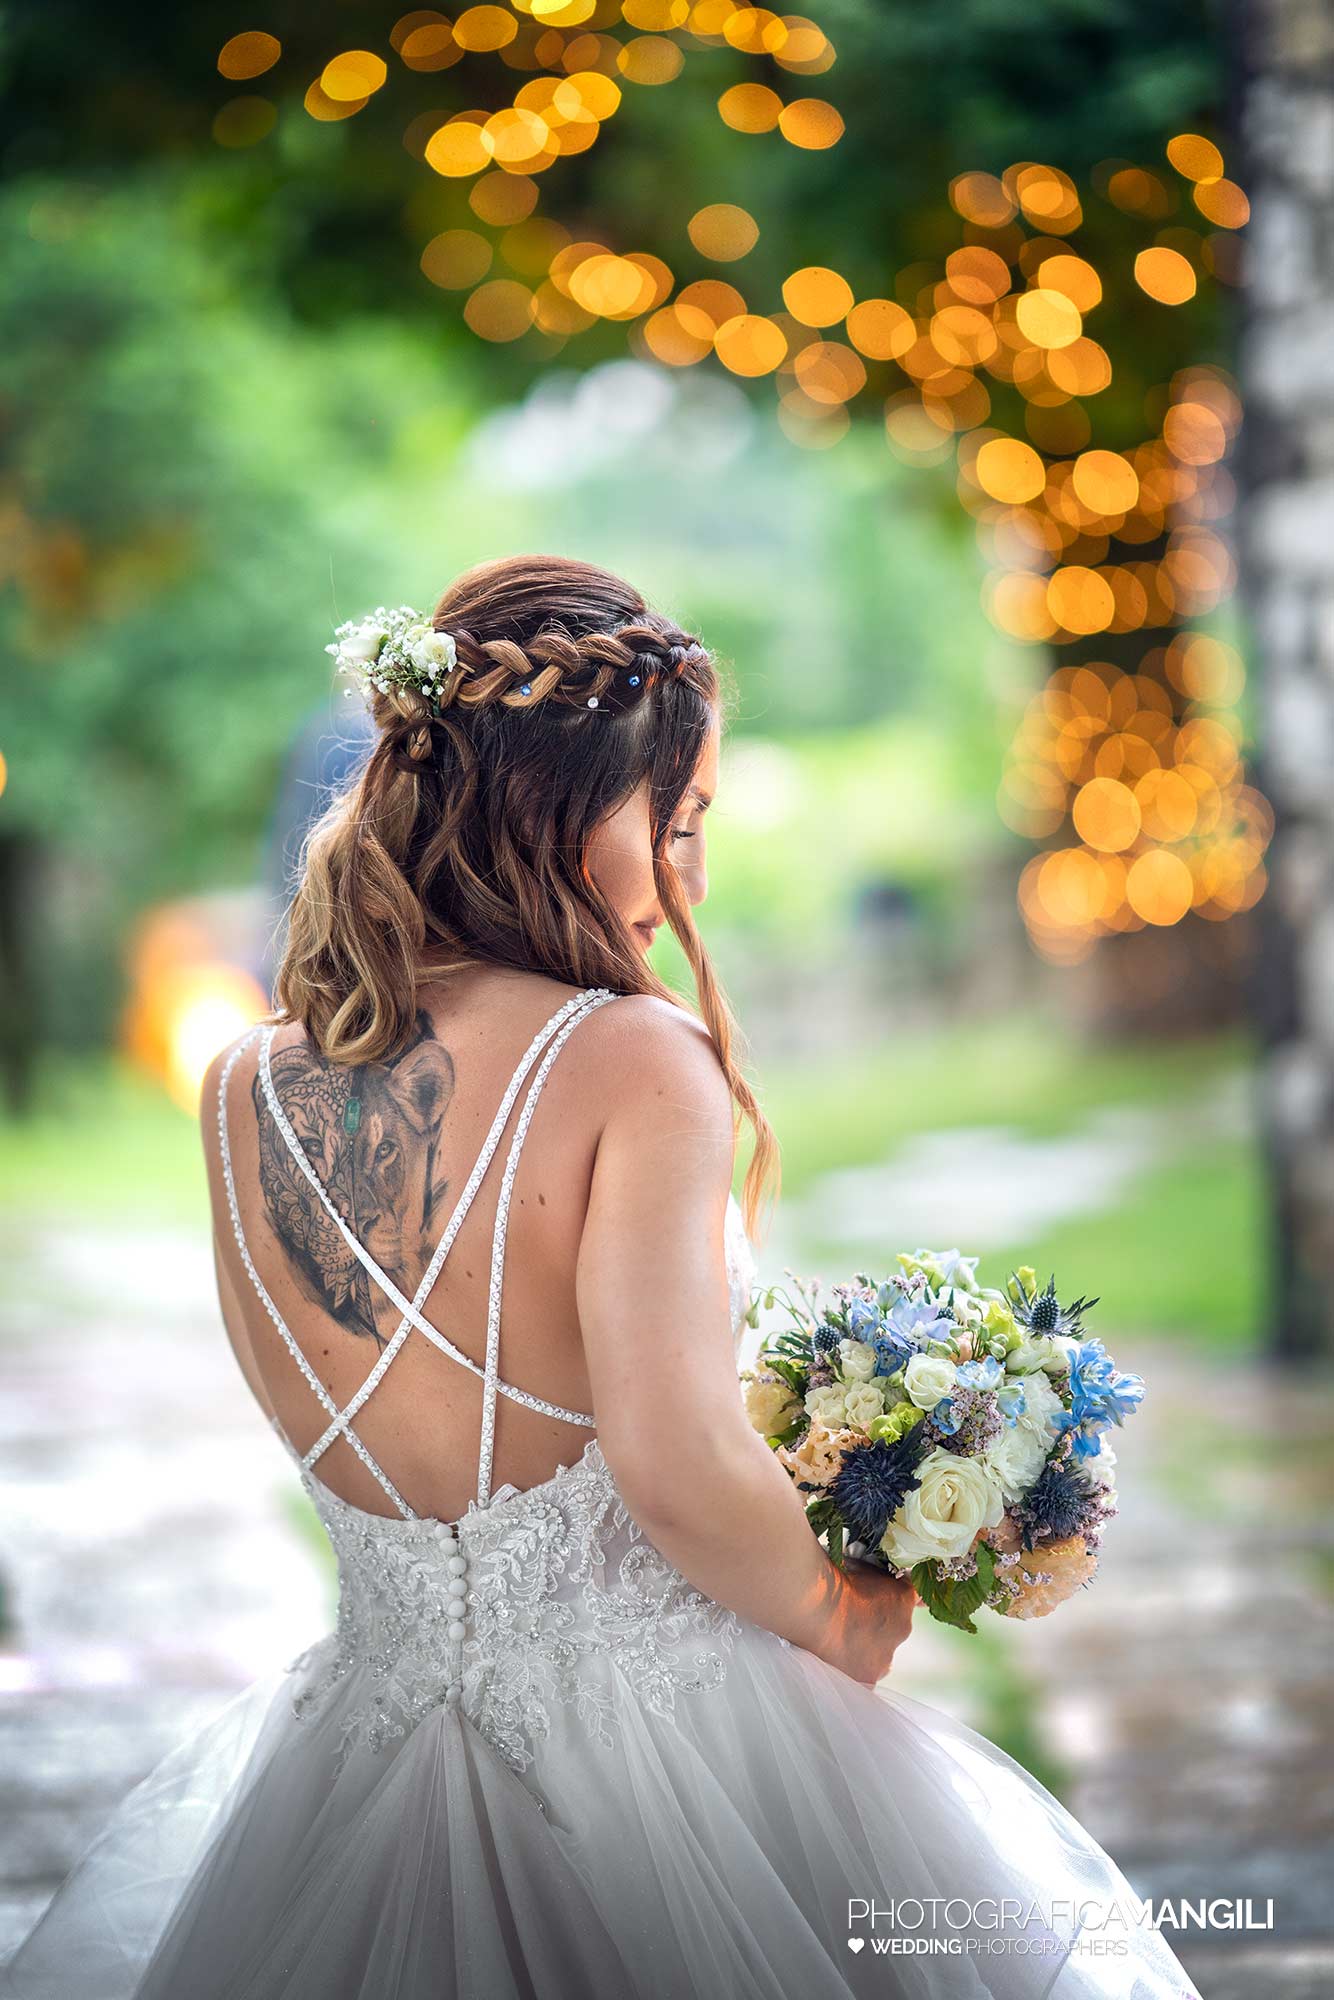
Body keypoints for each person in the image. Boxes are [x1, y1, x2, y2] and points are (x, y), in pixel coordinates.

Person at [0, 555, 1201, 1999]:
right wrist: (842, 1619)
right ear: (550, 804)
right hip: (672, 1752)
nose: (689, 875)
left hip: (356, 1748)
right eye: (674, 823)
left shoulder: (242, 1088)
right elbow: (677, 1459)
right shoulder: (630, 1059)